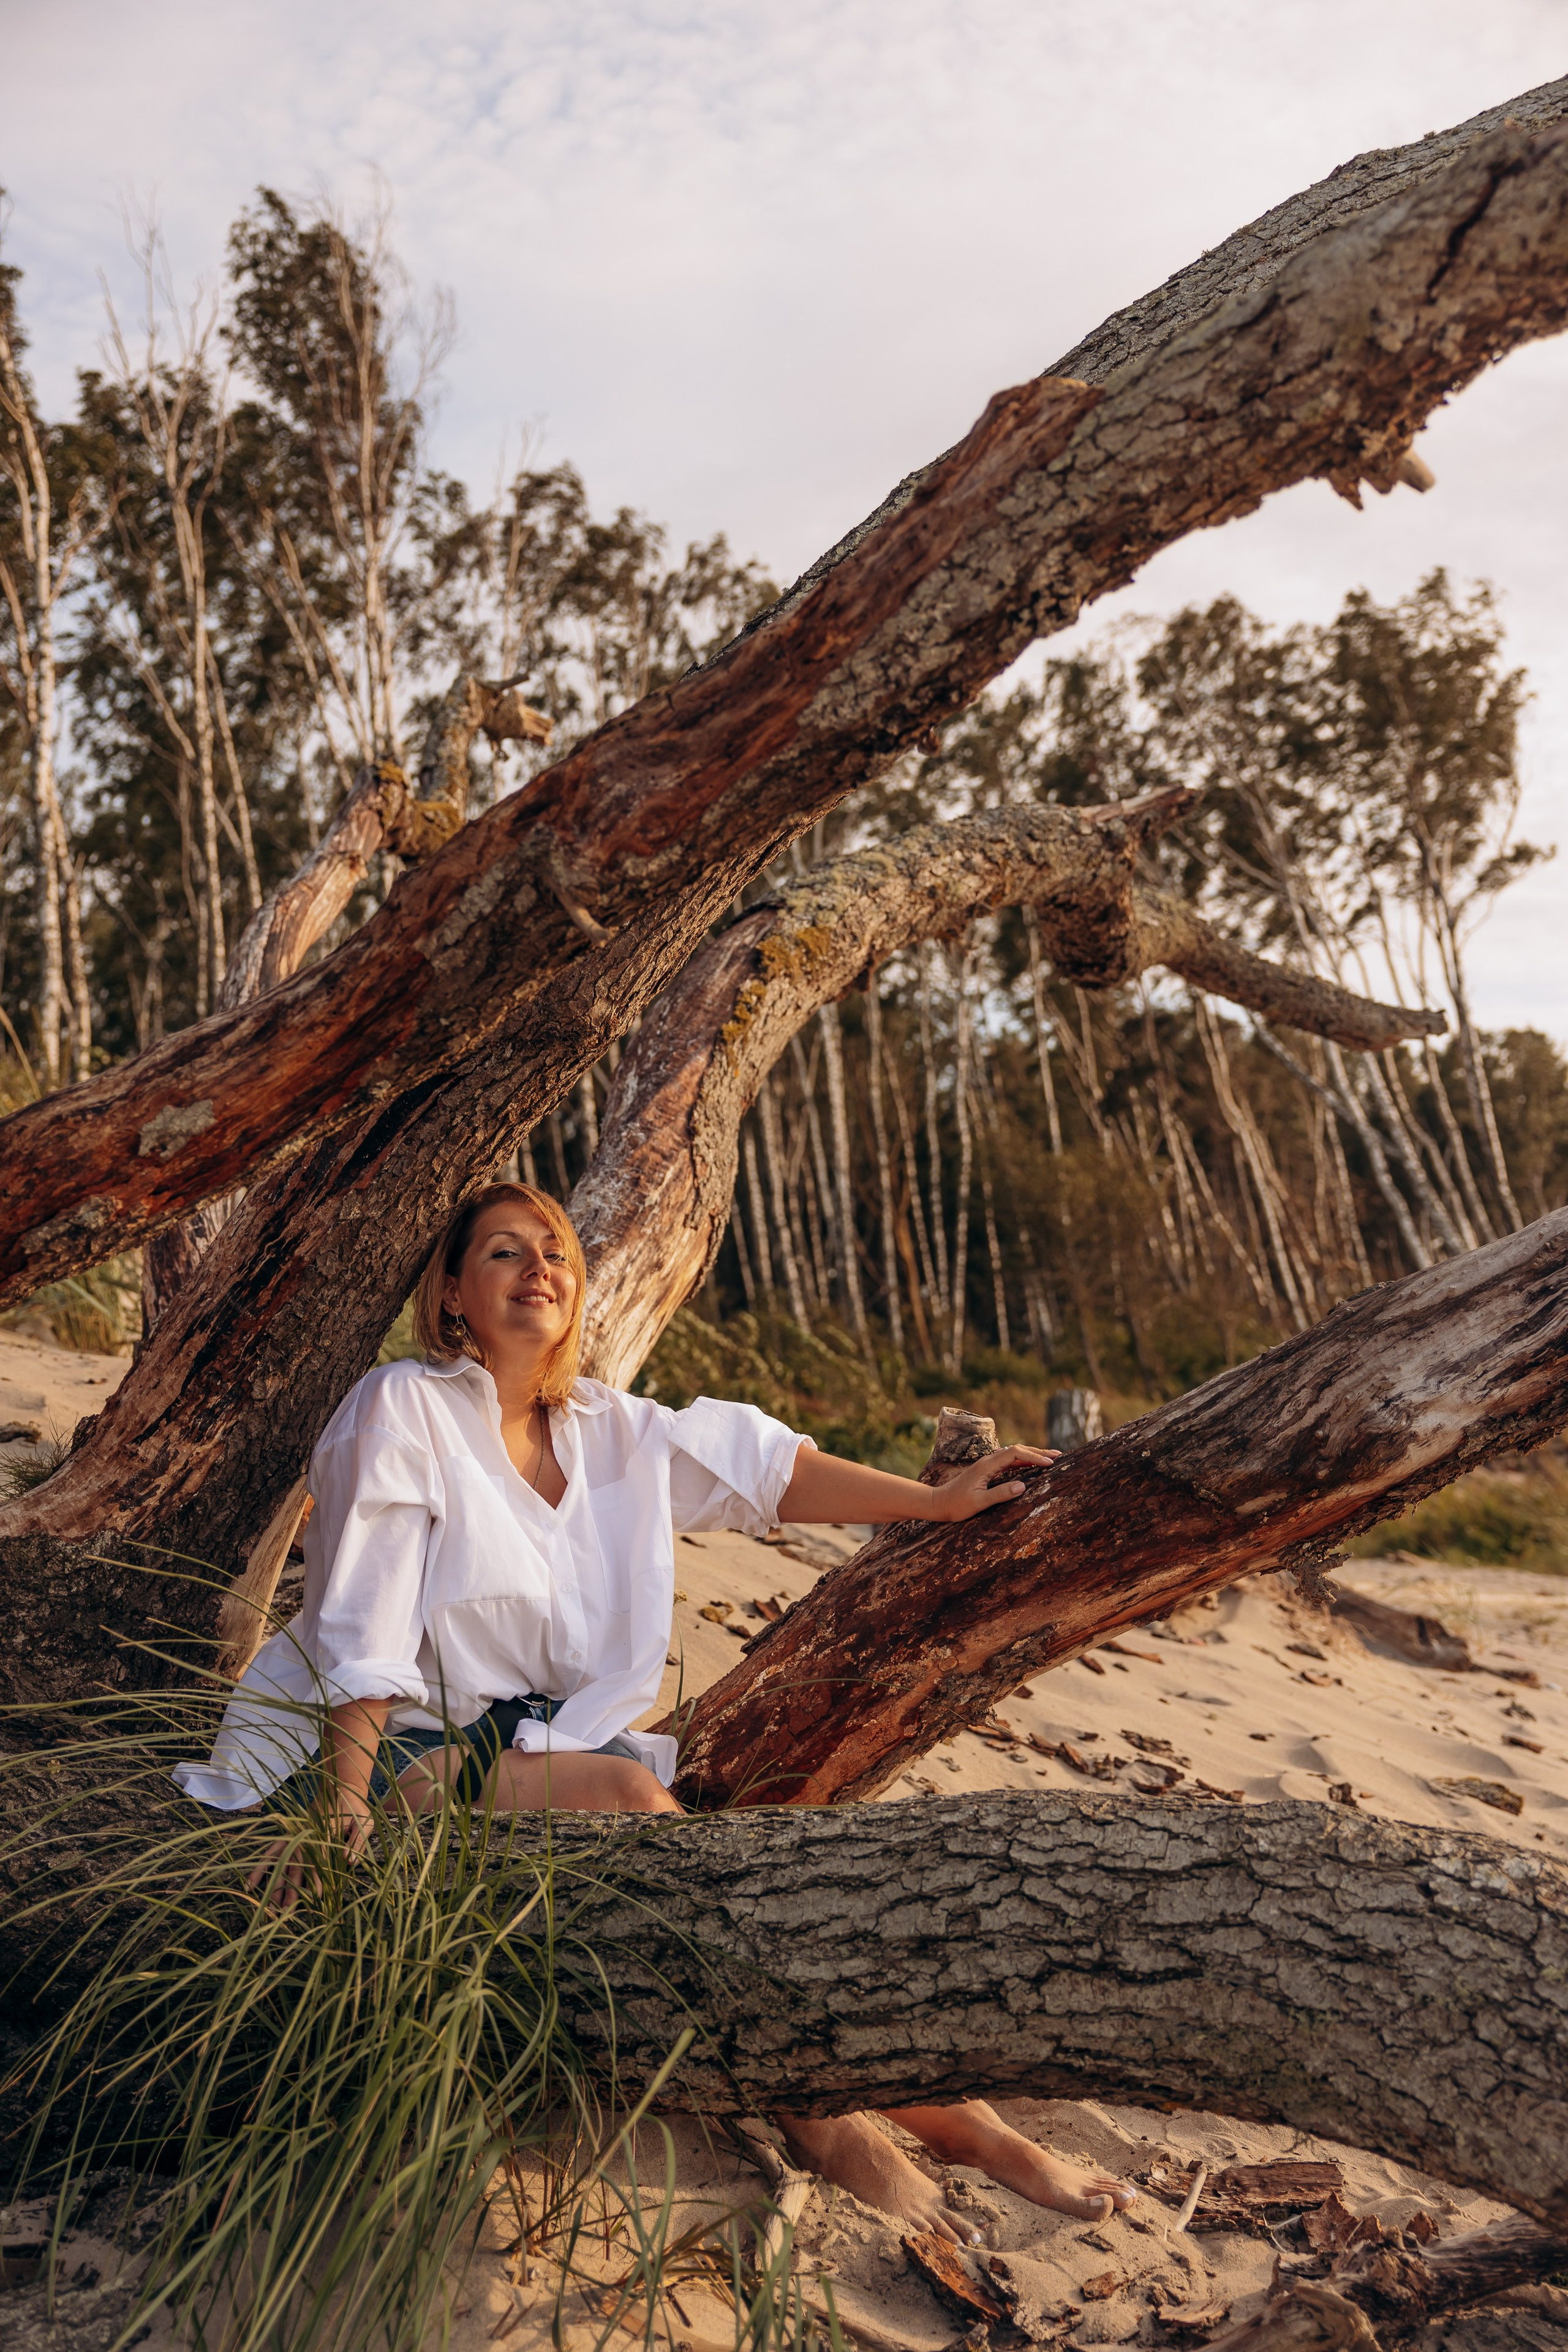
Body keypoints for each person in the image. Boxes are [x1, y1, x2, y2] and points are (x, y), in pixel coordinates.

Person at [176, 1181, 1134, 2235]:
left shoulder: (608, 1429)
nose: (538, 1268)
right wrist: (341, 1806)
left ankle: (910, 2109)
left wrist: (936, 1503)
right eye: (503, 1253)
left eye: (554, 1252)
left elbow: (769, 1474)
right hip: (398, 1754)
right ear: (452, 1293)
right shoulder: (405, 1406)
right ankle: (872, 2119)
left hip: (537, 1753)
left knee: (726, 1871)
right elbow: (363, 1618)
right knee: (637, 1797)